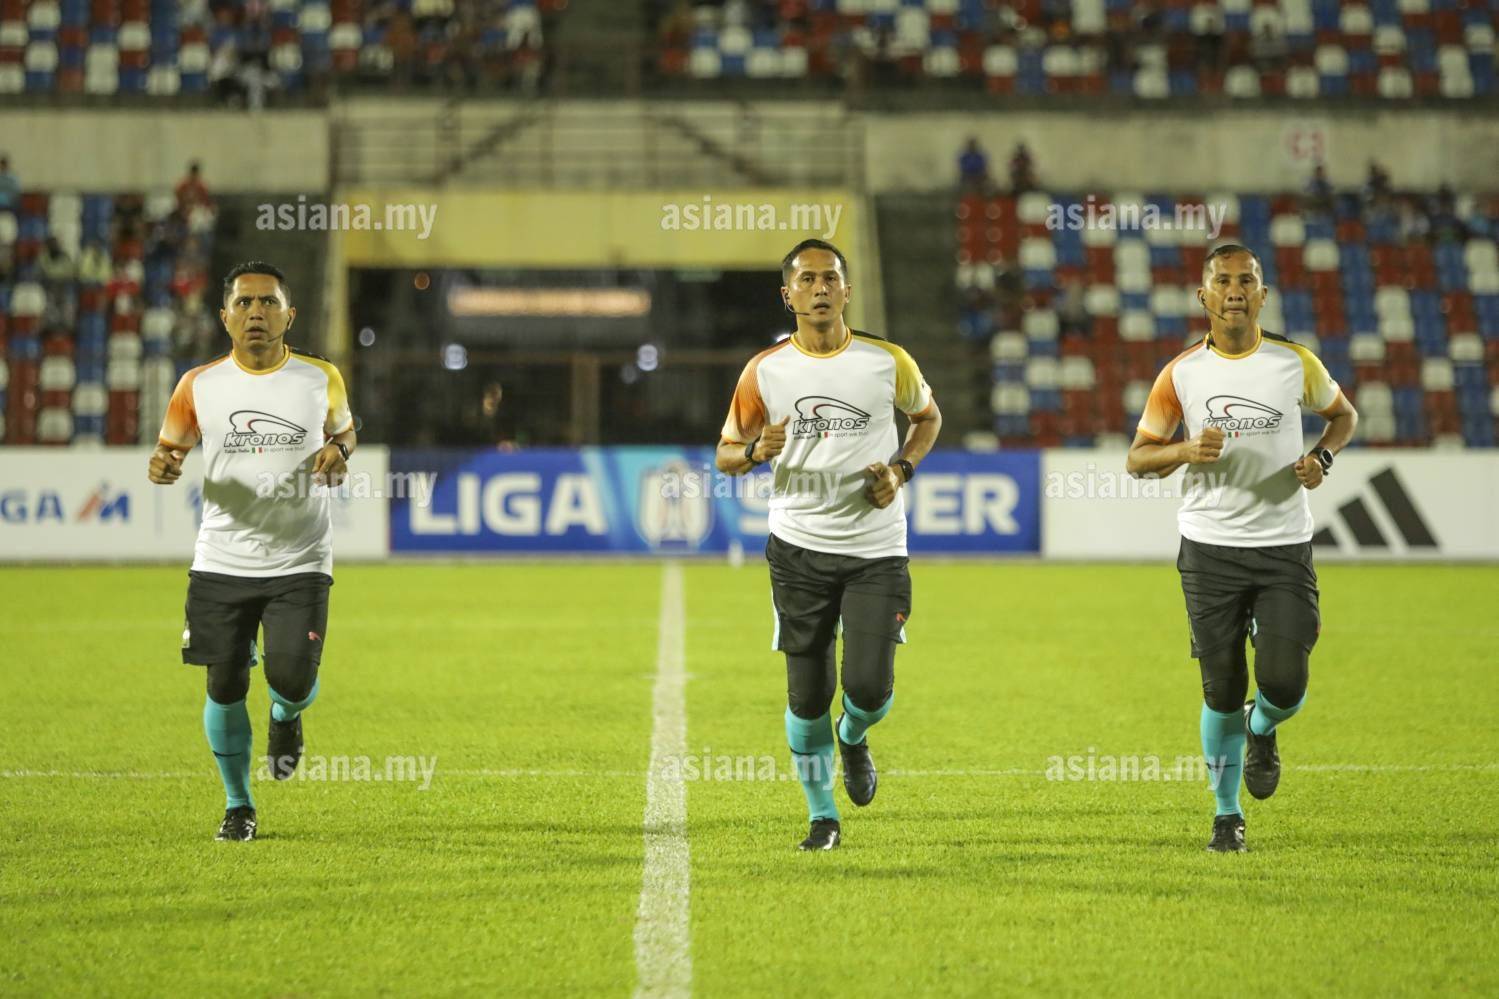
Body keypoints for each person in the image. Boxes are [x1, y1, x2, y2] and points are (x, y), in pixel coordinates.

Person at [1125, 243, 1358, 853]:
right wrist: (1184, 451)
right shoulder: (1180, 373)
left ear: (1263, 294)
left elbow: (1344, 417)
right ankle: (1226, 816)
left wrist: (1321, 457)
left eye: (1246, 281)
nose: (1235, 290)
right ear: (1203, 296)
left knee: (1286, 684)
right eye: (1223, 281)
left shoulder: (1294, 362)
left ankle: (1264, 726)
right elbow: (1138, 459)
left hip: (1283, 547)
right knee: (1221, 690)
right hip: (1210, 551)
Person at [714, 239, 942, 851]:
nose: (820, 288)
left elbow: (927, 418)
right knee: (807, 698)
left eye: (830, 278)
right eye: (807, 280)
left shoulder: (887, 361)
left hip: (876, 551)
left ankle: (854, 735)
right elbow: (725, 454)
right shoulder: (765, 371)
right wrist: (756, 450)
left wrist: (901, 470)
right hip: (798, 552)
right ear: (786, 295)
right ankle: (822, 818)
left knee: (868, 689)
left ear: (847, 290)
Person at [148, 261, 357, 842]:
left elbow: (344, 431)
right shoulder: (198, 385)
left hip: (300, 560)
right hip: (221, 561)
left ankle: (286, 715)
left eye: (268, 302)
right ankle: (238, 805)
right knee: (223, 686)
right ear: (224, 317)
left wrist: (341, 451)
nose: (256, 312)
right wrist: (162, 463)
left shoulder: (320, 377)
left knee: (291, 682)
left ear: (291, 315)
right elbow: (170, 449)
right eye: (244, 303)